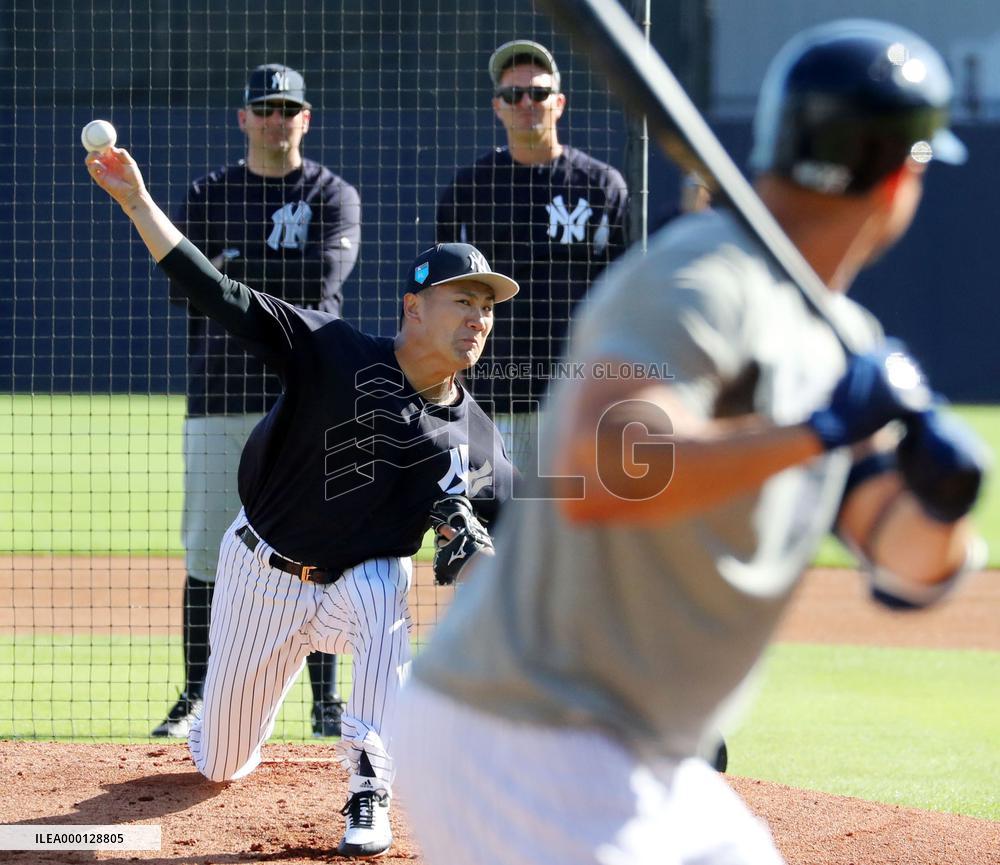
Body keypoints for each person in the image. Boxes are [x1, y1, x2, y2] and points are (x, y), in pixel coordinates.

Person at [395, 19, 989, 865]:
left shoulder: (838, 337)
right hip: (525, 732)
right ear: (901, 180)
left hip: (649, 759)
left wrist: (941, 500)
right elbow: (610, 464)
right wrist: (819, 429)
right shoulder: (699, 276)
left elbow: (903, 563)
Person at [86, 145, 516, 857]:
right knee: (220, 762)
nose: (479, 317)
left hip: (357, 591)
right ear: (413, 307)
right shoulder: (333, 349)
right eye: (462, 300)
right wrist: (137, 202)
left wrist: (482, 558)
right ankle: (218, 725)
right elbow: (217, 292)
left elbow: (514, 554)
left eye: (487, 306)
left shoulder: (477, 438)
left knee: (389, 578)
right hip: (260, 573)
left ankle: (369, 781)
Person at [155, 63, 362, 740]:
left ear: (307, 118)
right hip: (221, 392)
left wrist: (233, 273)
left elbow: (321, 279)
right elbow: (187, 286)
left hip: (310, 397)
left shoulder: (333, 195)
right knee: (209, 550)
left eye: (288, 108)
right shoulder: (209, 192)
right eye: (264, 107)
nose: (277, 118)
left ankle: (325, 703)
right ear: (243, 118)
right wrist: (223, 278)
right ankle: (194, 692)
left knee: (322, 544)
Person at [437, 40, 629, 472]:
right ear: (498, 107)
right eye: (512, 95)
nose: (526, 102)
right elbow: (441, 293)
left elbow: (625, 290)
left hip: (580, 396)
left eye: (538, 93)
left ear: (558, 103)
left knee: (577, 528)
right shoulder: (470, 190)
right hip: (495, 396)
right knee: (499, 526)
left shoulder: (602, 186)